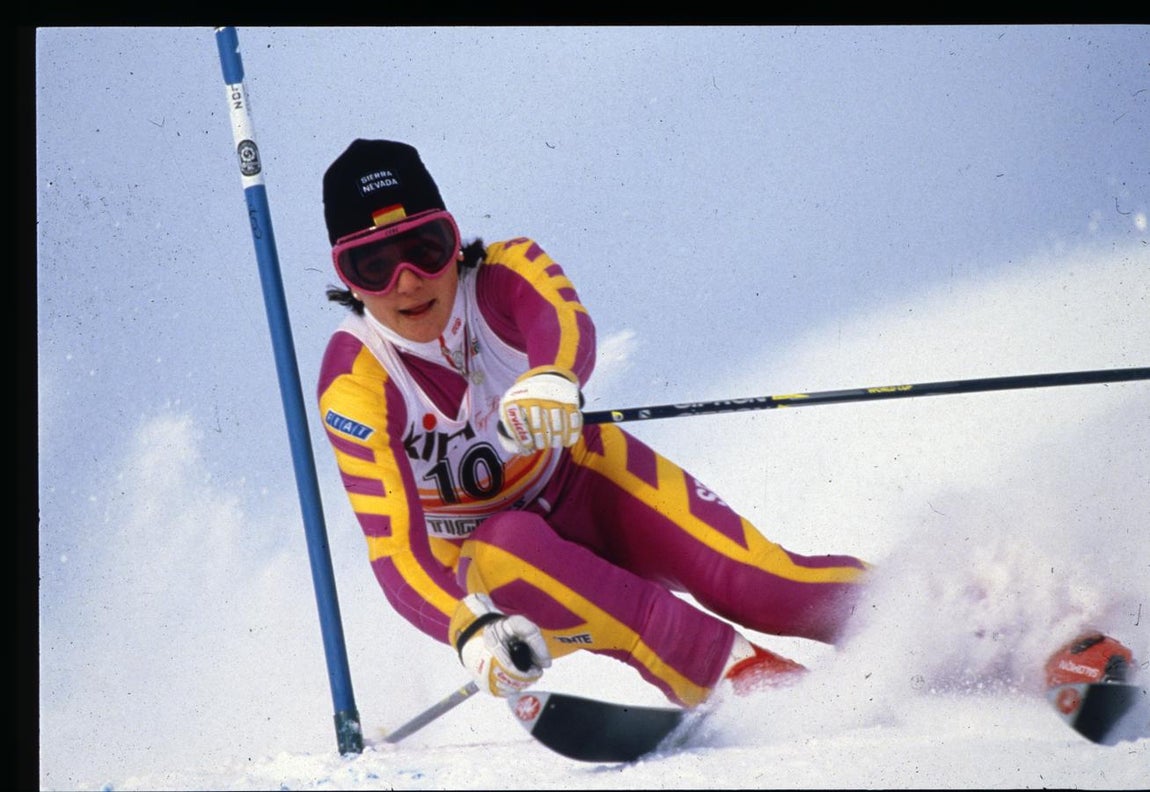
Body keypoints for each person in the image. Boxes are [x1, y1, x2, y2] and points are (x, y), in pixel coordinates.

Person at [314, 138, 869, 708]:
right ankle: (741, 677)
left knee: (759, 584)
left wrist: (553, 377)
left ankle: (919, 611)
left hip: (586, 477)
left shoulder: (504, 272)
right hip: (500, 566)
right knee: (507, 544)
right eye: (373, 266)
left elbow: (560, 319)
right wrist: (469, 627)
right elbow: (395, 549)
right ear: (347, 278)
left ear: (453, 242)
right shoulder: (356, 381)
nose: (406, 281)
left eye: (424, 248)